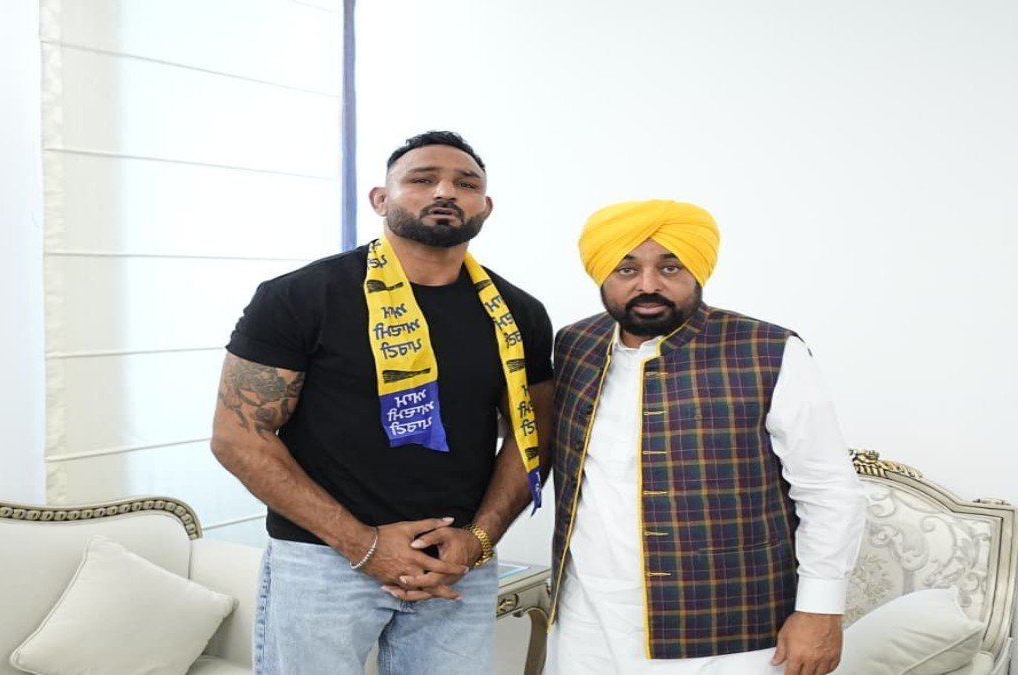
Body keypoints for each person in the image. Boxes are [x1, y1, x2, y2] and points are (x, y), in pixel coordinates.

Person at [211, 130, 554, 675]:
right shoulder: (300, 297)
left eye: (466, 184)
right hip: (324, 558)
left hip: (455, 564)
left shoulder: (519, 313)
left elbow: (531, 436)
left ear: (485, 207)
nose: (445, 191)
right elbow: (238, 437)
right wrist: (363, 545)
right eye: (422, 179)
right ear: (380, 199)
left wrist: (479, 539)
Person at [546, 200, 865, 675]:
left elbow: (828, 488)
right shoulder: (576, 344)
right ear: (601, 271)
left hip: (729, 626)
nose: (648, 284)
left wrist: (820, 609)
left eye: (669, 267)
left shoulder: (769, 350)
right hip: (586, 617)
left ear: (697, 269)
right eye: (626, 268)